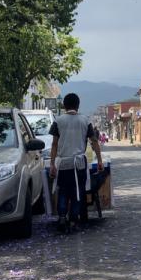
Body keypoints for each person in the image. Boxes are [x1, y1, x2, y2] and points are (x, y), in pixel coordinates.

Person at [49, 93, 103, 233]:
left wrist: (52, 164)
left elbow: (54, 144)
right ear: (78, 106)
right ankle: (73, 221)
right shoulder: (85, 121)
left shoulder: (58, 121)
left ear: (64, 106)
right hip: (79, 163)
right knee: (77, 192)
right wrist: (100, 160)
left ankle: (62, 217)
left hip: (63, 163)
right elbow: (94, 141)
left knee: (63, 192)